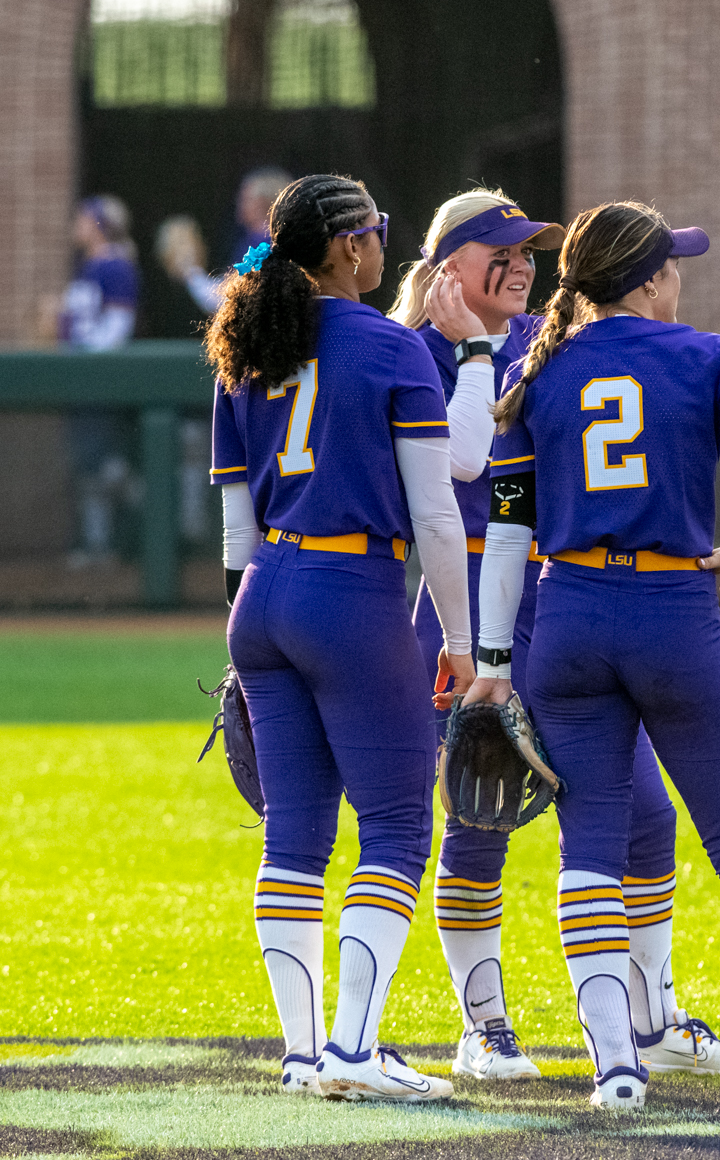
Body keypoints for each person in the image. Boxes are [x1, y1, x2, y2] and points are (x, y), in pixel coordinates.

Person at [465, 201, 720, 1113]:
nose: (679, 278)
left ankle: (616, 1071)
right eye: (671, 266)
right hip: (675, 609)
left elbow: (510, 533)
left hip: (568, 620)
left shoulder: (539, 369)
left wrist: (492, 659)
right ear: (646, 281)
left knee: (588, 845)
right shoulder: (707, 355)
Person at [389, 189, 720, 1084]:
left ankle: (651, 1021)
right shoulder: (413, 351)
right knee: (480, 814)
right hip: (468, 600)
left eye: (530, 250)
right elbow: (471, 459)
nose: (523, 263)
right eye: (501, 250)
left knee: (644, 814)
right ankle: (483, 1027)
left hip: (561, 602)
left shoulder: (540, 344)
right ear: (450, 264)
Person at [207, 173, 472, 1103]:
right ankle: (354, 1050)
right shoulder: (393, 346)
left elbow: (238, 532)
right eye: (378, 231)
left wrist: (251, 640)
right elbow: (438, 517)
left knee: (294, 834)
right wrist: (466, 643)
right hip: (351, 587)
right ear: (351, 246)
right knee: (399, 823)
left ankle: (303, 1051)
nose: (382, 246)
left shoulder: (244, 344)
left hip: (265, 596)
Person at [60, 195, 139, 567]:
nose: (76, 225)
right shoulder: (85, 266)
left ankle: (152, 512)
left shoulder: (116, 266)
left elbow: (117, 329)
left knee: (106, 466)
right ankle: (98, 545)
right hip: (79, 379)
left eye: (83, 219)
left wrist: (86, 357)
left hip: (100, 379)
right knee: (89, 467)